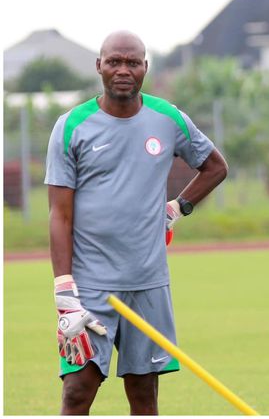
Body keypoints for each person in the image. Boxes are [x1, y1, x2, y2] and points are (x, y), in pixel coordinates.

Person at [45, 31, 228, 415]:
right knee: (77, 391)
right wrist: (65, 294)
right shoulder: (71, 125)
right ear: (99, 66)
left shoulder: (168, 118)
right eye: (114, 61)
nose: (123, 70)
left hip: (148, 284)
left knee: (145, 397)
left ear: (145, 67)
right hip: (90, 286)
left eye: (133, 62)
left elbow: (215, 167)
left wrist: (178, 208)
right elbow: (59, 214)